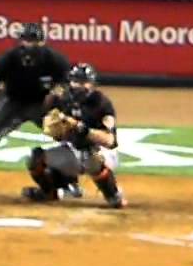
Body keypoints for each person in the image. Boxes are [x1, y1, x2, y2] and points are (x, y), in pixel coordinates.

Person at [0, 22, 70, 199]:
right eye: (26, 40)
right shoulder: (9, 58)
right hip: (13, 102)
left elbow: (65, 84)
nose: (30, 45)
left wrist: (57, 97)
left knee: (68, 135)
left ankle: (68, 183)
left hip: (42, 104)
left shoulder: (55, 60)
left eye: (34, 41)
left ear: (43, 42)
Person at [23, 63, 126, 208]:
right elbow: (53, 130)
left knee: (92, 159)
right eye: (76, 81)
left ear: (92, 84)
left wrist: (81, 129)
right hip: (74, 151)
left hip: (103, 153)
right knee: (35, 157)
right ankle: (50, 192)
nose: (80, 85)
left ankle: (113, 195)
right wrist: (57, 130)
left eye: (84, 82)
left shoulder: (101, 103)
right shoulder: (61, 100)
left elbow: (109, 140)